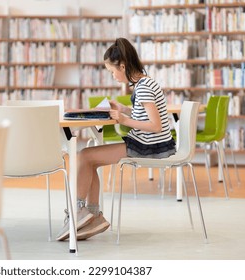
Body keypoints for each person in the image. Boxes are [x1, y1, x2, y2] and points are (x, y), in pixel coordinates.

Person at [56, 37, 176, 241]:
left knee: (84, 156)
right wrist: (124, 109)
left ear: (123, 65)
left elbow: (155, 126)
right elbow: (146, 115)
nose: (113, 76)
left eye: (113, 71)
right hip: (151, 143)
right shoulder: (144, 83)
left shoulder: (144, 87)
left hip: (148, 145)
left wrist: (123, 119)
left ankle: (79, 213)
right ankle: (92, 215)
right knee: (88, 159)